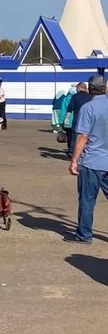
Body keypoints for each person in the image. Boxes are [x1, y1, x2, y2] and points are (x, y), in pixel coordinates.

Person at [66, 75, 108, 244]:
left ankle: (84, 235)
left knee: (87, 199)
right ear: (104, 88)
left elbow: (83, 136)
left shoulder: (88, 108)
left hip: (92, 161)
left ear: (90, 89)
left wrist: (74, 160)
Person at [67, 82, 93, 156]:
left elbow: (70, 107)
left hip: (77, 119)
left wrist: (67, 116)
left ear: (79, 88)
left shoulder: (75, 96)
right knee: (88, 137)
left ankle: (73, 152)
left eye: (76, 88)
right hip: (89, 120)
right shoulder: (91, 96)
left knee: (75, 137)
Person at [61, 86, 77, 151]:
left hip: (67, 120)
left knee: (69, 136)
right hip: (76, 119)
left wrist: (61, 121)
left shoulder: (65, 99)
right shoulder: (77, 99)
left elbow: (63, 110)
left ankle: (70, 149)